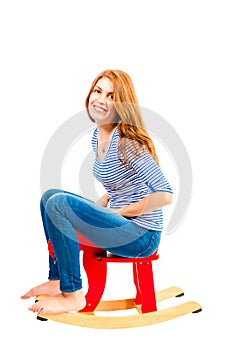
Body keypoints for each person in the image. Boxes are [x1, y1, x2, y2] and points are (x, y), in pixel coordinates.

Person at [21, 69, 173, 315]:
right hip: (120, 225)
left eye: (111, 96)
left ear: (123, 104)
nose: (100, 99)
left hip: (141, 236)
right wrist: (93, 210)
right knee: (49, 197)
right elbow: (116, 188)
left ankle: (73, 294)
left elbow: (165, 194)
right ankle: (57, 279)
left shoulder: (128, 142)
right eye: (98, 91)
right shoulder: (98, 136)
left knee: (58, 202)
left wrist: (118, 212)